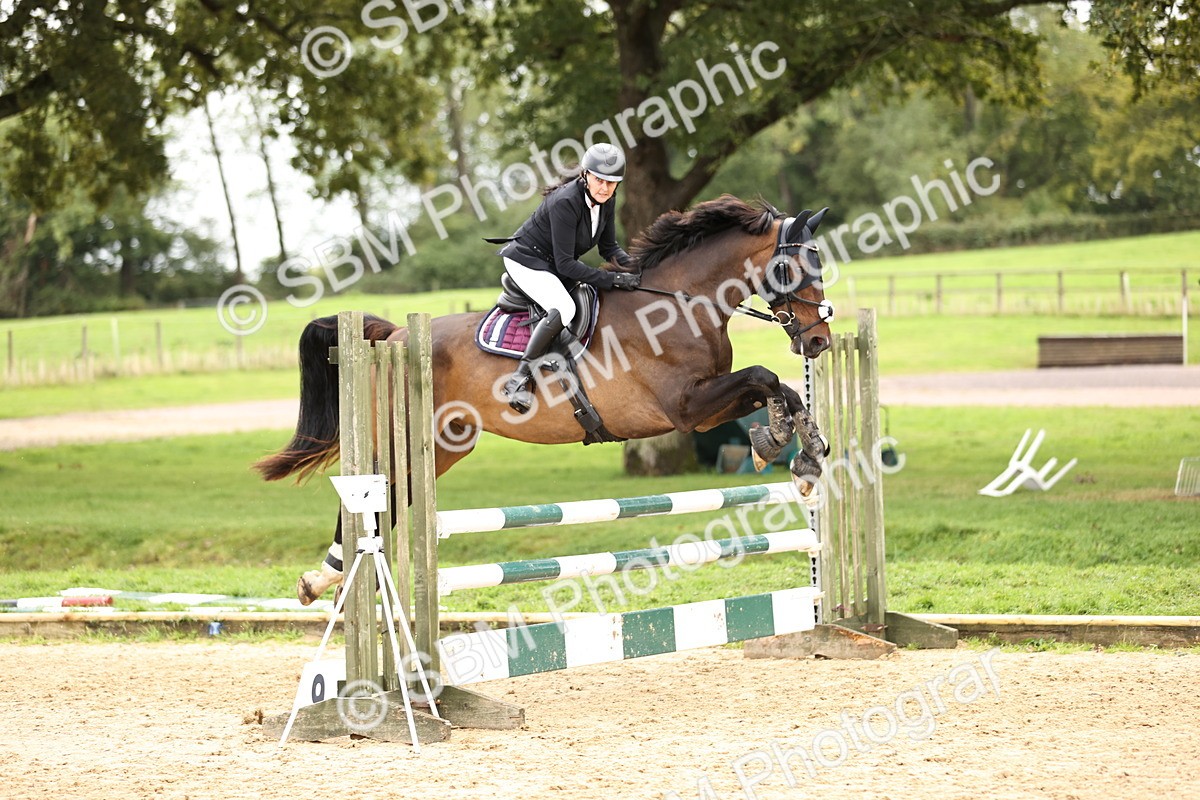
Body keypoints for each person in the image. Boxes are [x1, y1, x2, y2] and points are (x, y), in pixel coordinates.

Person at [488, 142, 641, 413]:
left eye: (612, 182)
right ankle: (518, 378)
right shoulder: (566, 202)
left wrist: (636, 269)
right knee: (566, 308)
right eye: (599, 180)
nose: (604, 188)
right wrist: (612, 279)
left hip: (552, 264)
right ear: (585, 175)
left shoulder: (607, 201)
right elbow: (566, 264)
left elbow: (608, 249)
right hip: (527, 261)